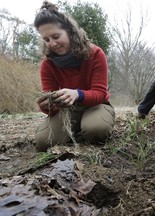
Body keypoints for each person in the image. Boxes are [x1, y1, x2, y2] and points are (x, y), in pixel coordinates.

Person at [33, 1, 115, 152]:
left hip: (96, 104)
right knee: (43, 141)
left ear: (70, 32)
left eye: (56, 36)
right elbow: (53, 104)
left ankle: (88, 125)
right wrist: (47, 106)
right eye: (46, 39)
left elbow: (100, 93)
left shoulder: (95, 54)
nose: (52, 43)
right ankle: (76, 128)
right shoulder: (47, 64)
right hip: (68, 110)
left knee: (96, 130)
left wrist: (77, 94)